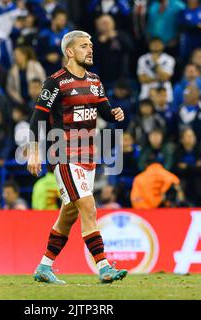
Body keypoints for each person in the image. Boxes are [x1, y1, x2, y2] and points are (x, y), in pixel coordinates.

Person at [27, 30, 126, 284]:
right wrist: (35, 150)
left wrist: (114, 112)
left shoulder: (95, 80)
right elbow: (37, 118)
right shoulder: (55, 82)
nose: (90, 49)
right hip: (64, 155)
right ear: (69, 52)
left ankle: (44, 266)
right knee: (88, 208)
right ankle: (104, 267)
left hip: (88, 156)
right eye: (84, 46)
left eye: (91, 45)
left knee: (69, 214)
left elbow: (104, 111)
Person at [92, 14, 134, 90]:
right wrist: (101, 42)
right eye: (103, 23)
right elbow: (92, 56)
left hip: (121, 76)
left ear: (113, 23)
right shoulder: (94, 39)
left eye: (107, 23)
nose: (106, 26)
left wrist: (117, 37)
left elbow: (131, 48)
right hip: (102, 76)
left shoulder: (122, 35)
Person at [136, 37, 175, 102]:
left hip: (164, 88)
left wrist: (156, 64)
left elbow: (165, 78)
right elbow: (141, 79)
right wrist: (158, 79)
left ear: (163, 45)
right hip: (147, 88)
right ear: (149, 46)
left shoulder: (169, 59)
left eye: (158, 43)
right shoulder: (142, 59)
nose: (156, 45)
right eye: (153, 44)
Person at [173, 127, 201, 206]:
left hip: (197, 177)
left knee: (200, 184)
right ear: (182, 139)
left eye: (192, 136)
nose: (190, 138)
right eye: (188, 136)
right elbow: (177, 169)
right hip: (182, 178)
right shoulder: (177, 150)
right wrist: (194, 166)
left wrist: (186, 166)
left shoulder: (199, 149)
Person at [36, 8, 70, 75]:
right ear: (53, 20)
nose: (63, 22)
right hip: (45, 73)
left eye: (64, 20)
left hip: (63, 74)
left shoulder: (68, 36)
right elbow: (36, 56)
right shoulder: (43, 35)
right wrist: (47, 58)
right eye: (60, 19)